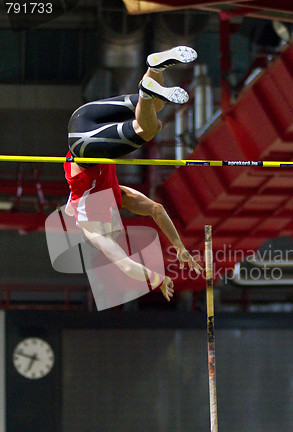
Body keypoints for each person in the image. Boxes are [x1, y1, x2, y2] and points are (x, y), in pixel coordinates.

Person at [64, 46, 202, 302]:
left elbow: (125, 265)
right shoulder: (119, 197)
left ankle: (148, 93)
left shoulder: (91, 228)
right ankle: (155, 67)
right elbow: (156, 210)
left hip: (84, 144)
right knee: (154, 112)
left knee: (146, 129)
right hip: (83, 116)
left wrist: (158, 278)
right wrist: (179, 247)